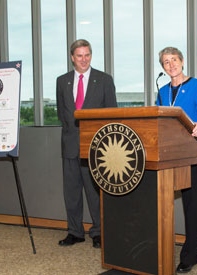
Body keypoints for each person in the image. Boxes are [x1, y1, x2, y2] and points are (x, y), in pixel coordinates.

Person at [157, 46, 197, 273]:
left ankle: (190, 256)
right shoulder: (162, 90)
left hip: (192, 152)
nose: (171, 65)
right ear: (162, 67)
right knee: (162, 203)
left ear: (182, 61)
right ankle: (159, 249)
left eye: (174, 60)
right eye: (165, 62)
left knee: (190, 204)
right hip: (168, 155)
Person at [56, 39, 117, 248]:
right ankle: (75, 232)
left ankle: (99, 232)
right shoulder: (62, 81)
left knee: (96, 193)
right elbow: (62, 114)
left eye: (87, 55)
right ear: (72, 57)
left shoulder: (104, 80)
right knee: (71, 193)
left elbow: (112, 114)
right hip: (70, 146)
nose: (84, 59)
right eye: (80, 55)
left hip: (97, 147)